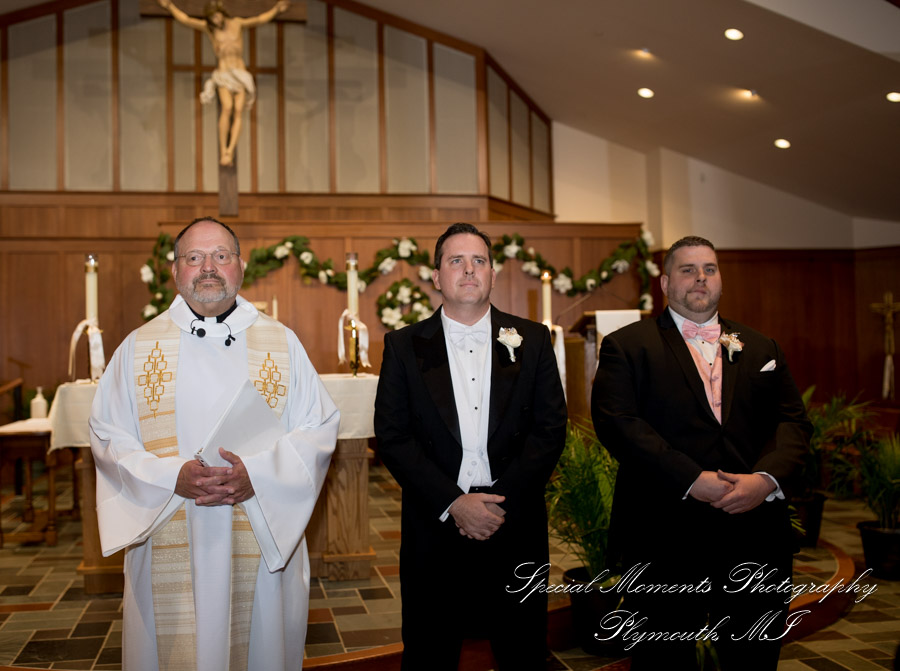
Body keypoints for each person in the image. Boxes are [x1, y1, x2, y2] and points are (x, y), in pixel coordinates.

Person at [89, 216, 339, 671]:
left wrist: (259, 477)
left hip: (258, 527)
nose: (208, 267)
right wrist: (171, 477)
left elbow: (318, 429)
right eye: (194, 257)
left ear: (241, 266)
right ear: (175, 271)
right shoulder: (138, 347)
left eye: (221, 256)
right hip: (169, 521)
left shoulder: (281, 344)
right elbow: (108, 436)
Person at [591, 235, 811, 670]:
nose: (700, 278)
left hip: (754, 531)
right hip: (665, 532)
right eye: (688, 270)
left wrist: (764, 480)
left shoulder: (761, 347)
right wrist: (692, 479)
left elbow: (793, 423)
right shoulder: (628, 346)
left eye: (709, 269)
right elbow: (619, 424)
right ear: (666, 283)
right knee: (662, 660)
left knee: (753, 657)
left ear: (720, 281)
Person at [374, 222, 567, 670]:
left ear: (493, 274)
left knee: (522, 651)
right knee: (429, 652)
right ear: (437, 276)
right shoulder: (403, 346)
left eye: (479, 260)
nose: (468, 270)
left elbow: (549, 429)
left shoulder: (533, 338)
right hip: (435, 524)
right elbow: (393, 436)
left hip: (514, 523)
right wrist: (454, 503)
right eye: (455, 260)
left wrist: (499, 504)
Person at [157, 0, 289, 166]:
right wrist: (170, 6)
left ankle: (230, 151)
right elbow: (186, 20)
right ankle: (223, 150)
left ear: (222, 13)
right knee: (227, 108)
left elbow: (259, 19)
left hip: (239, 72)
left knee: (239, 110)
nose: (216, 21)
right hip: (224, 73)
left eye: (217, 16)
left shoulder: (237, 23)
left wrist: (276, 9)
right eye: (212, 18)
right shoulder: (210, 29)